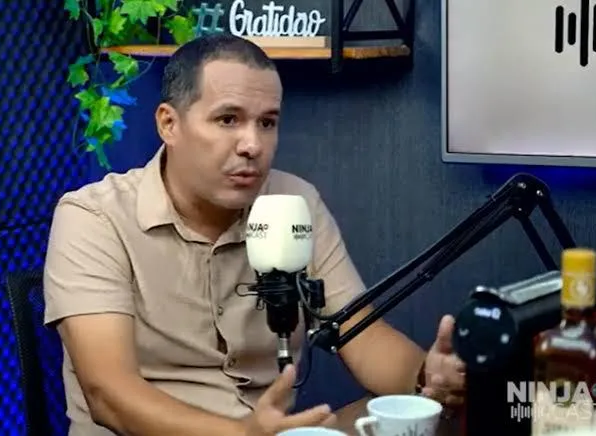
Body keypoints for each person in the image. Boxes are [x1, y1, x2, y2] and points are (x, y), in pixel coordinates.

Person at [43, 34, 466, 436]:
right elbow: (108, 394)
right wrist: (241, 433)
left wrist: (428, 377)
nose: (253, 144)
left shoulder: (295, 202)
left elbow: (364, 338)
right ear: (169, 124)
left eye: (267, 123)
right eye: (228, 119)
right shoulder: (94, 217)